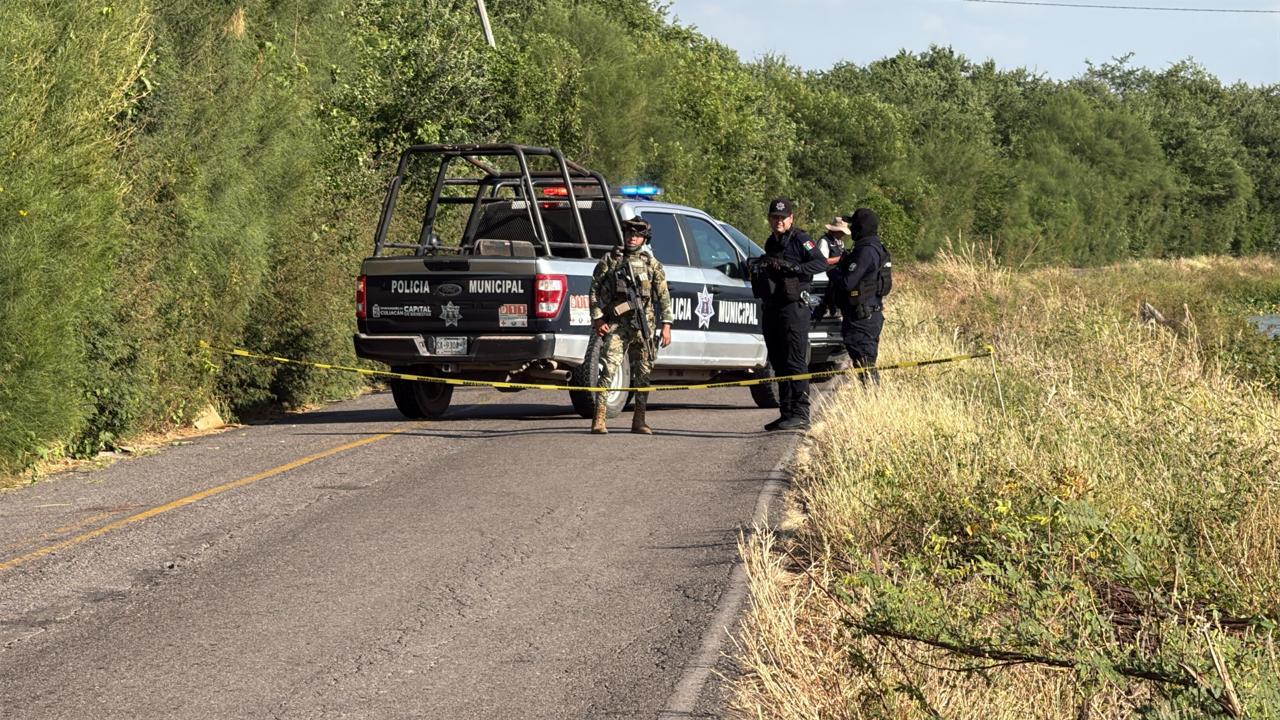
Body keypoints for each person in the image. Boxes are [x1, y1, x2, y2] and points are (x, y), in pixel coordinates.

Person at [749, 198, 830, 431]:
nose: (779, 221)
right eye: (775, 217)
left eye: (783, 218)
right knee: (779, 361)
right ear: (769, 219)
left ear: (791, 218)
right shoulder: (770, 242)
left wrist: (797, 269)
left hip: (794, 308)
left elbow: (820, 263)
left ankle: (801, 413)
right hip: (774, 306)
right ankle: (786, 412)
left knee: (795, 360)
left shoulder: (801, 240)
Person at [589, 217, 674, 434]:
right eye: (629, 234)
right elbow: (594, 290)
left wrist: (666, 324)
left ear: (644, 238)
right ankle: (599, 417)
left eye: (637, 235)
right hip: (617, 325)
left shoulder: (652, 264)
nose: (632, 238)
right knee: (608, 368)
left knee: (643, 373)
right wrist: (598, 318)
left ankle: (639, 419)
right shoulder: (611, 260)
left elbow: (663, 296)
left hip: (643, 327)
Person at [834, 208, 891, 385]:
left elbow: (847, 283)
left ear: (860, 227)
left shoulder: (865, 251)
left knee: (865, 365)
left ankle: (873, 400)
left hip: (862, 319)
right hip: (867, 315)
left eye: (853, 225)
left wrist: (834, 272)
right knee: (865, 365)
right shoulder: (875, 247)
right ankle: (871, 399)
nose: (851, 230)